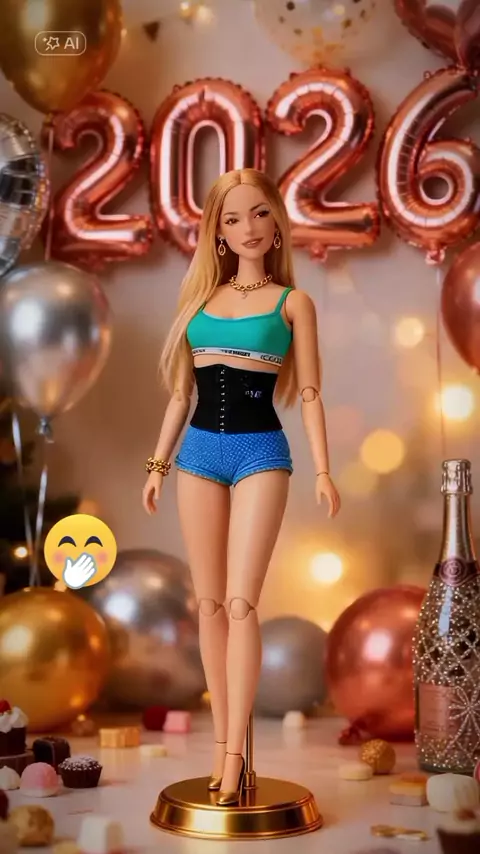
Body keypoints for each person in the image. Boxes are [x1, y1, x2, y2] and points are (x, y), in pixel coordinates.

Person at [142, 168, 340, 806]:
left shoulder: (292, 303)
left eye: (259, 213)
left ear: (276, 219)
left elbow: (310, 393)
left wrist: (323, 469)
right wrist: (157, 465)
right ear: (218, 233)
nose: (248, 227)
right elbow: (181, 395)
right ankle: (222, 743)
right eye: (232, 218)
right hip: (198, 454)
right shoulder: (200, 301)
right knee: (206, 606)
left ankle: (235, 760)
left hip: (261, 452)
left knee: (239, 605)